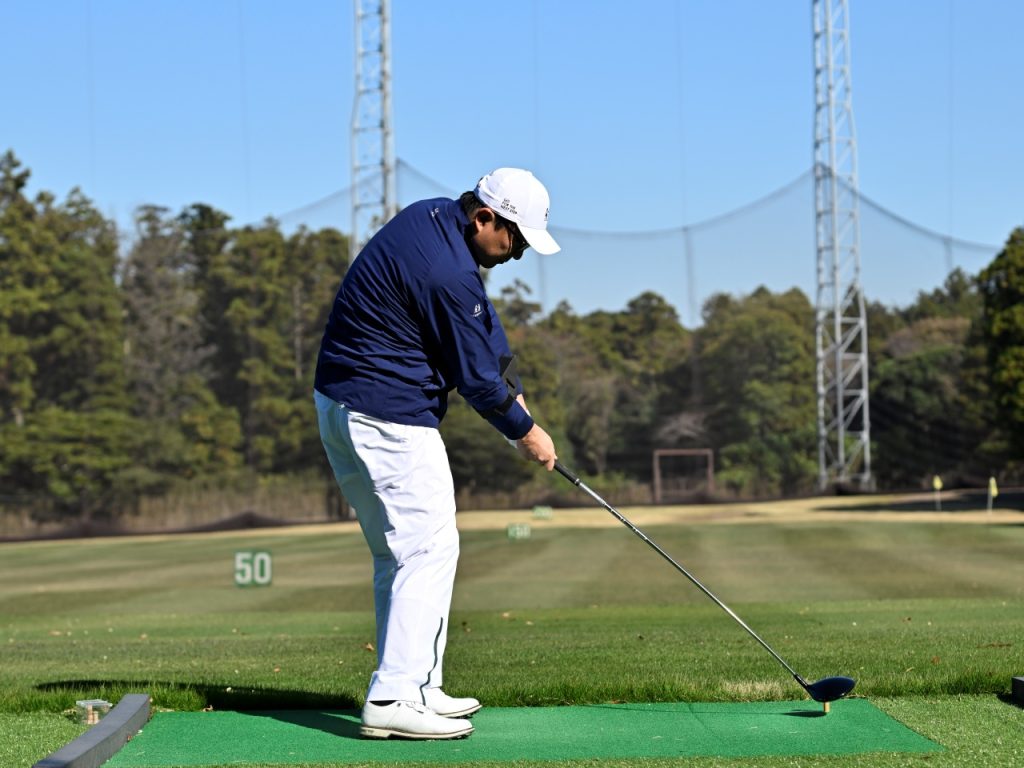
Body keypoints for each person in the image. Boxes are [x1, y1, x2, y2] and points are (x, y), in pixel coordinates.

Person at [313, 167, 560, 740]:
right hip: (388, 416)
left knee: (399, 555)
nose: (518, 253)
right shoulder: (446, 270)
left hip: (342, 405)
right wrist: (526, 431)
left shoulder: (434, 219)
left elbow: (483, 326)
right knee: (428, 548)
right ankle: (394, 696)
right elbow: (475, 380)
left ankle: (419, 685)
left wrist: (515, 387)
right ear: (485, 218)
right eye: (516, 240)